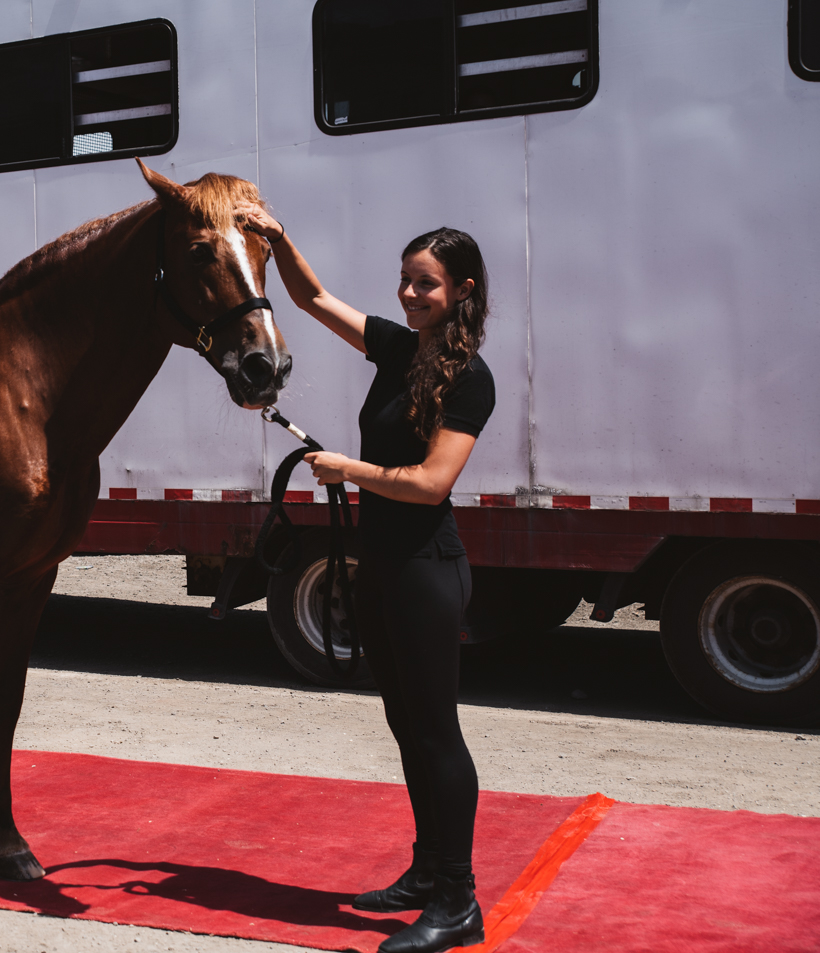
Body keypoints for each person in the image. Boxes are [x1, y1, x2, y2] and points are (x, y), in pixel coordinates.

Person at [237, 205, 495, 953]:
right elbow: (314, 300)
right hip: (382, 567)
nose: (410, 295)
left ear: (462, 290)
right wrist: (280, 240)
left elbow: (429, 483)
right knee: (405, 725)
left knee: (437, 732)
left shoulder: (469, 379)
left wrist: (347, 469)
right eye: (405, 282)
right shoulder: (398, 352)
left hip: (425, 569)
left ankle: (458, 899)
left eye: (426, 284)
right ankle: (426, 869)